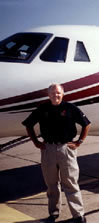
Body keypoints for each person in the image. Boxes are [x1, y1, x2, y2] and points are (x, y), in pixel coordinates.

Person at [22, 84, 91, 223]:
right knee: (51, 184)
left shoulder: (70, 108)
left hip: (66, 149)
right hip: (48, 149)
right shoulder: (43, 109)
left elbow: (86, 124)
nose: (56, 96)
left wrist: (79, 142)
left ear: (63, 94)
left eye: (58, 93)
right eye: (53, 93)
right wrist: (36, 142)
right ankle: (53, 213)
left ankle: (79, 216)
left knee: (70, 183)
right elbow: (28, 124)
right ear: (49, 95)